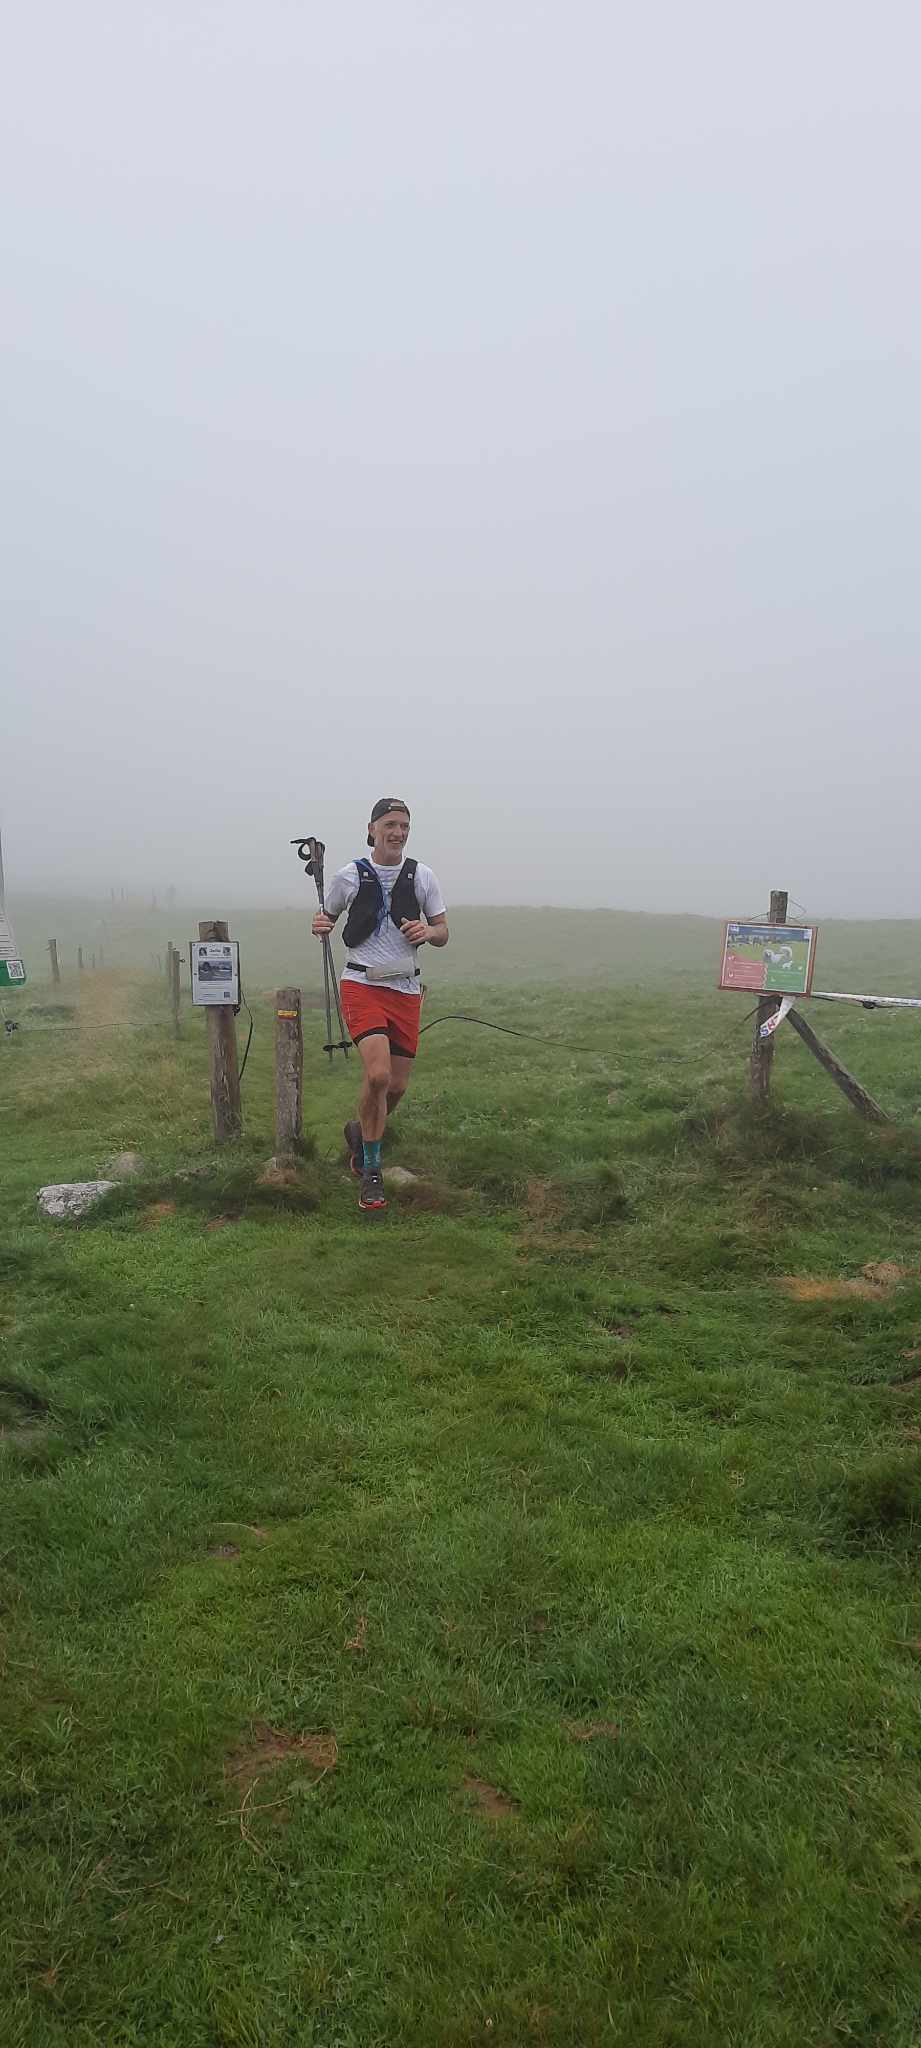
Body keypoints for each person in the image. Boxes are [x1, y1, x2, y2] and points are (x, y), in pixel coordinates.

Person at [312, 799, 449, 1211]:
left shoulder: (422, 876)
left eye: (404, 825)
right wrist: (320, 923)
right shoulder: (349, 875)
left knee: (397, 1087)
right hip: (362, 984)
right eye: (390, 824)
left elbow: (443, 931)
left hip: (406, 988)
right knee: (378, 1076)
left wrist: (429, 932)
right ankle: (372, 1171)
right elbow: (326, 918)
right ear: (372, 829)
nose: (398, 832)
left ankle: (361, 1132)